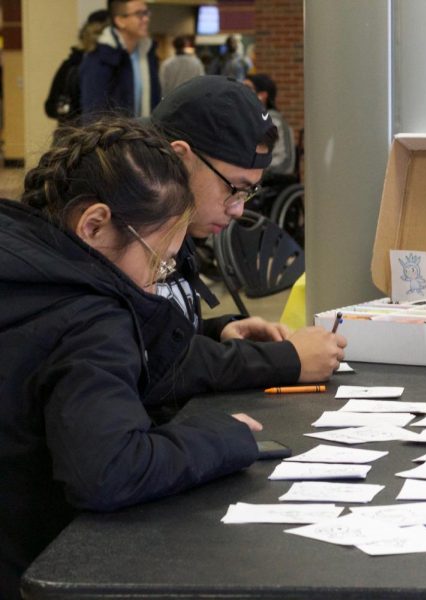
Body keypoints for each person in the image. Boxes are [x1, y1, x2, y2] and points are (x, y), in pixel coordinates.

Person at [0, 117, 261, 600]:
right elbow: (109, 470)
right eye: (158, 261)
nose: (154, 283)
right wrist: (226, 439)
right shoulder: (90, 315)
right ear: (95, 225)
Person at [148, 75, 344, 397]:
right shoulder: (124, 238)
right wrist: (284, 361)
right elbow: (149, 364)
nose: (239, 210)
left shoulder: (175, 221)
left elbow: (161, 332)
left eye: (249, 192)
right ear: (180, 159)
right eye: (234, 189)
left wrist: (217, 331)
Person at [80, 0, 160, 119]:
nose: (146, 19)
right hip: (115, 135)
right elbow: (93, 114)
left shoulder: (147, 53)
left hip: (144, 134)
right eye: (139, 14)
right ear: (120, 21)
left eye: (146, 13)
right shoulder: (99, 58)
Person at [44, 9, 108, 124]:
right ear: (85, 35)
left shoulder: (120, 66)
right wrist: (68, 112)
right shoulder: (71, 65)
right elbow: (50, 106)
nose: (100, 39)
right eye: (97, 33)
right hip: (74, 132)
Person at [244, 73, 297, 178]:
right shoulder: (254, 118)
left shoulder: (272, 120)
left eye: (247, 89)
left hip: (276, 175)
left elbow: (283, 160)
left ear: (262, 95)